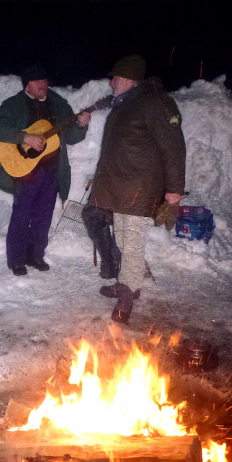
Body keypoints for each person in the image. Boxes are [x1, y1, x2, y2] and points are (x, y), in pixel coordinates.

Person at [87, 54, 186, 324]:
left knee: (131, 244)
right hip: (121, 187)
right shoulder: (128, 102)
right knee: (122, 239)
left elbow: (174, 146)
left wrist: (175, 190)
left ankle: (127, 296)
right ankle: (130, 283)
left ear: (128, 79)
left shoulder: (154, 102)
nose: (111, 83)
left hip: (139, 188)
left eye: (115, 78)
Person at [0, 65, 91, 275]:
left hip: (52, 169)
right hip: (26, 170)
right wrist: (24, 138)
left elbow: (71, 137)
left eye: (44, 81)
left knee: (43, 215)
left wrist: (81, 125)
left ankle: (36, 255)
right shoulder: (13, 105)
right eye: (37, 82)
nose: (42, 85)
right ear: (26, 85)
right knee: (21, 214)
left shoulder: (59, 105)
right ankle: (17, 260)